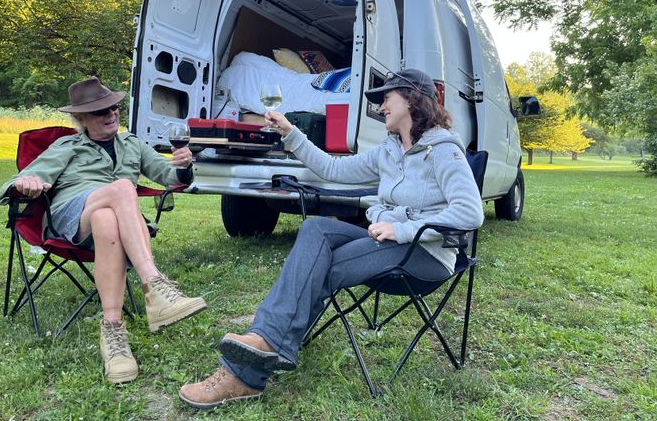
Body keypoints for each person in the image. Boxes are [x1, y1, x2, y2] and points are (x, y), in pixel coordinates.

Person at [179, 69, 484, 409]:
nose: (380, 107)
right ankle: (265, 344)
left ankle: (247, 371)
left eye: (386, 98)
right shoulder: (389, 150)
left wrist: (402, 228)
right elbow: (335, 170)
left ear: (411, 99)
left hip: (425, 256)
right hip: (390, 244)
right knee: (315, 230)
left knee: (316, 269)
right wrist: (291, 134)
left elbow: (470, 213)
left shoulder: (443, 150)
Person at [0, 77, 206, 384]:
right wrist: (23, 184)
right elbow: (24, 179)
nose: (110, 114)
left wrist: (184, 165)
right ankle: (155, 285)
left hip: (112, 222)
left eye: (113, 107)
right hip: (72, 216)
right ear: (80, 119)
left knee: (107, 219)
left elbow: (169, 177)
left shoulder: (133, 144)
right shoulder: (67, 145)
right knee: (122, 187)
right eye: (100, 111)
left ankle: (113, 335)